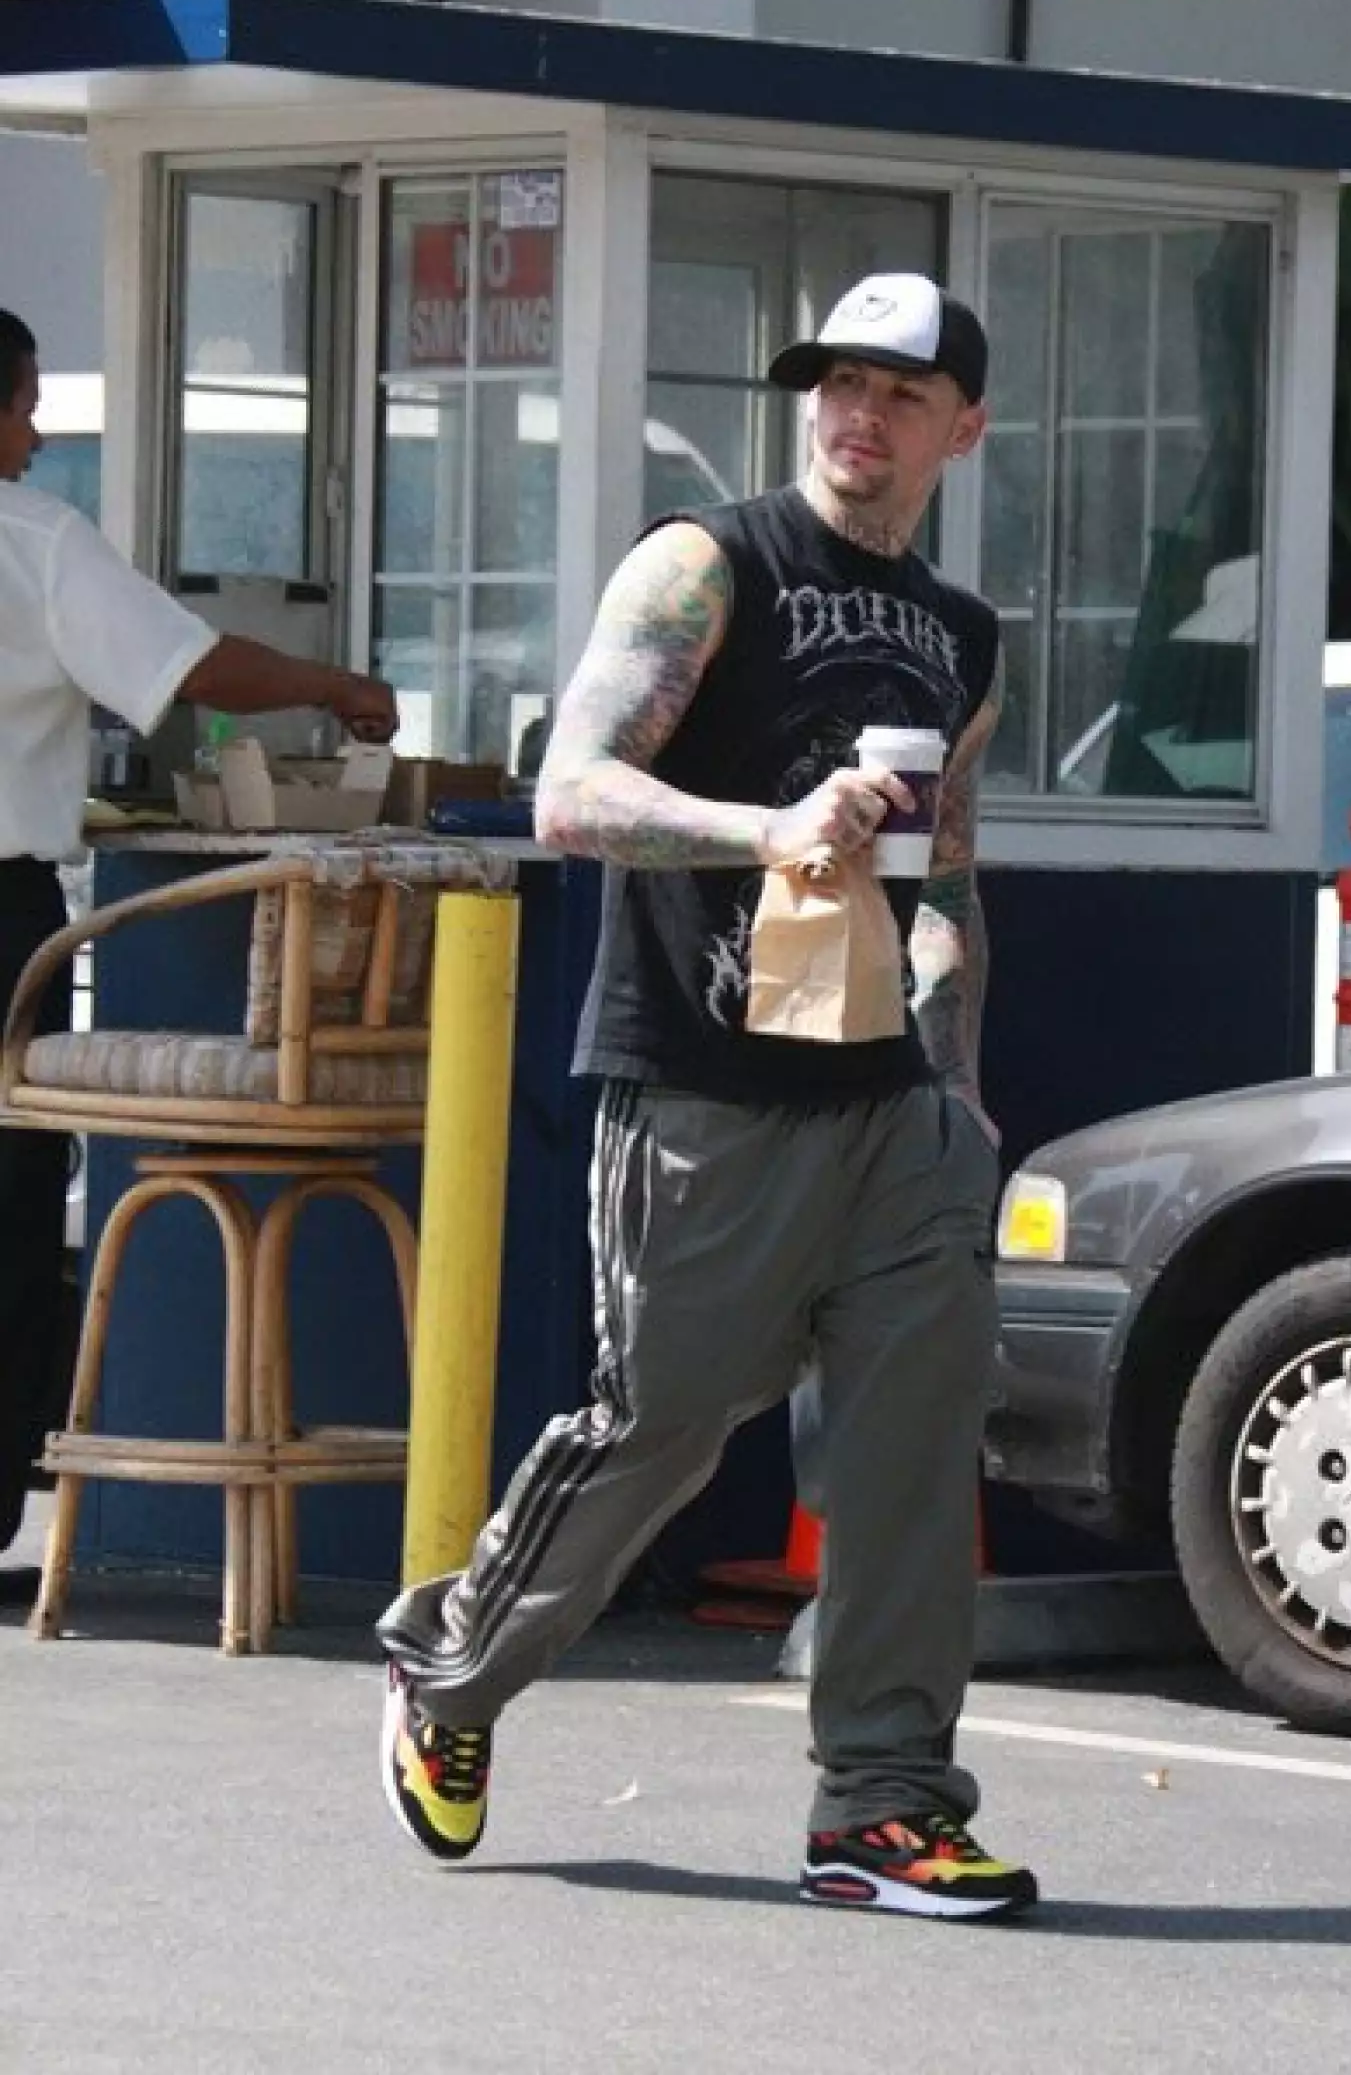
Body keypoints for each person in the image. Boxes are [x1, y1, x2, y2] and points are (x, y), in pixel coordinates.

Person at [377, 272, 1038, 1922]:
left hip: (892, 1105)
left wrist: (958, 1082)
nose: (854, 414)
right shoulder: (706, 564)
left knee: (907, 1437)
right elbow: (573, 789)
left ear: (962, 427)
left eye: (897, 392)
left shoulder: (963, 639)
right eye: (833, 384)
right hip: (702, 1080)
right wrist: (767, 829)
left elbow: (945, 873)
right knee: (656, 1427)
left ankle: (880, 1807)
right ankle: (450, 1671)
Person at [0, 306, 398, 1606]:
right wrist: (338, 686)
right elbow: (190, 664)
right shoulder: (34, 539)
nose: (37, 431)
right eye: (24, 405)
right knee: (6, 1214)